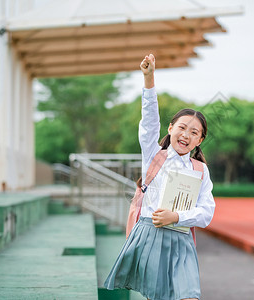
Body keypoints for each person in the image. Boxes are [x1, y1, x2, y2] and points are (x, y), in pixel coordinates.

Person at [104, 54, 215, 300]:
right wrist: (149, 78)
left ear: (200, 140)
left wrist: (177, 217)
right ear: (171, 128)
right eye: (182, 127)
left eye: (194, 132)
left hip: (182, 241)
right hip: (150, 236)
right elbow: (149, 122)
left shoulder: (200, 170)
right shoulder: (154, 155)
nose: (186, 134)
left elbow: (207, 211)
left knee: (189, 297)